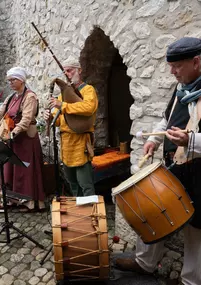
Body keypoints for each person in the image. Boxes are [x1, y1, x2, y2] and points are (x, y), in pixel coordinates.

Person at [115, 37, 201, 285]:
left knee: (196, 228)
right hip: (175, 167)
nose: (172, 72)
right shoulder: (182, 88)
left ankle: (191, 281)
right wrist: (154, 138)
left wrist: (191, 141)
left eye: (176, 66)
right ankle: (145, 263)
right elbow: (167, 120)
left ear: (196, 62)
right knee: (152, 209)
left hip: (199, 173)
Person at [0, 66, 45, 212]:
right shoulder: (12, 97)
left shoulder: (29, 96)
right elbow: (0, 112)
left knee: (25, 171)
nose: (10, 83)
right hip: (13, 139)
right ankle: (14, 199)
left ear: (21, 80)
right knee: (11, 169)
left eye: (13, 80)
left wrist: (14, 132)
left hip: (26, 139)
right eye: (9, 80)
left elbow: (26, 119)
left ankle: (29, 202)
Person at [44, 59, 98, 197]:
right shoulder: (64, 94)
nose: (67, 74)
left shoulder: (88, 90)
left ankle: (90, 215)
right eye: (65, 71)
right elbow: (59, 119)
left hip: (80, 142)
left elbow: (88, 108)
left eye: (70, 70)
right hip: (66, 144)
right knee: (72, 183)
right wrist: (50, 116)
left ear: (79, 70)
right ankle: (79, 213)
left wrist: (62, 105)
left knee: (85, 183)